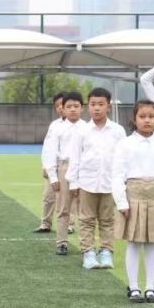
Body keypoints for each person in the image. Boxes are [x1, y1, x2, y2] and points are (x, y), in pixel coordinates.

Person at [112, 100, 154, 303]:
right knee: (134, 243)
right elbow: (117, 175)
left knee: (152, 243)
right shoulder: (125, 144)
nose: (147, 120)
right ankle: (133, 287)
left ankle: (151, 287)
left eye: (151, 116)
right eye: (142, 116)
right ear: (134, 119)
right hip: (132, 197)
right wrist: (121, 202)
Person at [67, 88, 126, 269]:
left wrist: (122, 182)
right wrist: (73, 182)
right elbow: (75, 157)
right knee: (86, 220)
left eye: (101, 104)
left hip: (110, 183)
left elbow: (123, 158)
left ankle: (106, 252)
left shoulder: (118, 131)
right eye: (93, 104)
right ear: (88, 107)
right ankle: (88, 252)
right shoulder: (82, 131)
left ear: (109, 106)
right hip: (87, 182)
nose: (97, 108)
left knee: (107, 220)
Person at [44, 91, 85, 256]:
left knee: (84, 209)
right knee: (63, 208)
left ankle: (86, 244)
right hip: (64, 167)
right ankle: (61, 242)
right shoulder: (57, 128)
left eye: (76, 106)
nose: (73, 109)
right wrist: (53, 176)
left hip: (83, 169)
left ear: (82, 108)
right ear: (63, 109)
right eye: (69, 106)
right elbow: (50, 151)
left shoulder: (87, 128)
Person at [34, 92, 66, 233]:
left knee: (68, 199)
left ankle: (68, 225)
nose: (60, 108)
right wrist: (45, 166)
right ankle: (45, 223)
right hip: (53, 166)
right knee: (48, 197)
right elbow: (47, 148)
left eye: (62, 104)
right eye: (57, 106)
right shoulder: (54, 125)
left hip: (68, 167)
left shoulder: (79, 126)